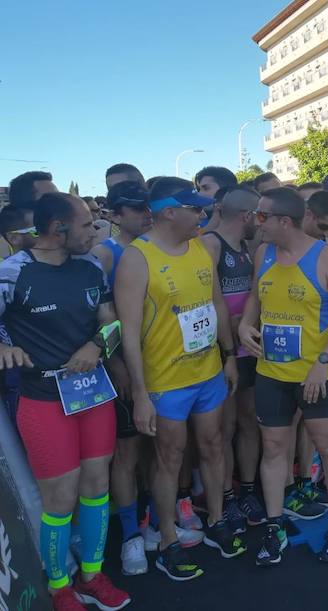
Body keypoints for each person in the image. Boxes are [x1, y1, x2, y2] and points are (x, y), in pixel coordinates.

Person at [0, 192, 131, 610]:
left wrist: (97, 345)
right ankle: (60, 587)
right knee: (60, 499)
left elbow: (112, 325)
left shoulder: (91, 266)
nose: (96, 231)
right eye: (87, 225)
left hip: (92, 394)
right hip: (42, 399)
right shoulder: (13, 272)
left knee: (96, 487)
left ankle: (92, 576)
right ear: (58, 229)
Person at [115, 177, 245, 581]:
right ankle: (168, 537)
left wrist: (228, 356)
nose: (202, 214)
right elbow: (129, 333)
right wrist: (139, 393)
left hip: (207, 372)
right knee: (170, 458)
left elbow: (217, 304)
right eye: (194, 208)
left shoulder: (201, 246)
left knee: (212, 445)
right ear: (169, 211)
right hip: (165, 380)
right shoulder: (138, 258)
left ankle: (217, 520)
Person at [238, 187, 328, 565]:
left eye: (261, 216)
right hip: (271, 372)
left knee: (327, 444)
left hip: (315, 373)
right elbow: (256, 295)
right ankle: (274, 528)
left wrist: (322, 360)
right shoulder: (263, 253)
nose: (256, 222)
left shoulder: (326, 256)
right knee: (273, 449)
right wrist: (244, 326)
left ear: (283, 221)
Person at [90, 182, 156, 576]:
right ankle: (130, 535)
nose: (144, 213)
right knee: (127, 454)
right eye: (135, 209)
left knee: (158, 452)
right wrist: (121, 370)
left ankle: (151, 521)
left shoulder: (158, 247)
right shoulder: (105, 255)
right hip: (126, 372)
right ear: (115, 216)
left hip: (164, 368)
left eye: (147, 207)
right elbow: (102, 319)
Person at [200, 188, 269, 531]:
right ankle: (226, 496)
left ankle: (247, 490)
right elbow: (205, 302)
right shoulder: (211, 244)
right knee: (224, 429)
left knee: (248, 422)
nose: (263, 221)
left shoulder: (247, 247)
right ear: (246, 216)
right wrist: (229, 332)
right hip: (222, 352)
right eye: (259, 215)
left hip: (249, 348)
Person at [195, 167, 238, 232]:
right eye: (199, 190)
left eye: (206, 188)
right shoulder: (194, 223)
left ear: (225, 190)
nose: (199, 194)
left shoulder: (245, 221)